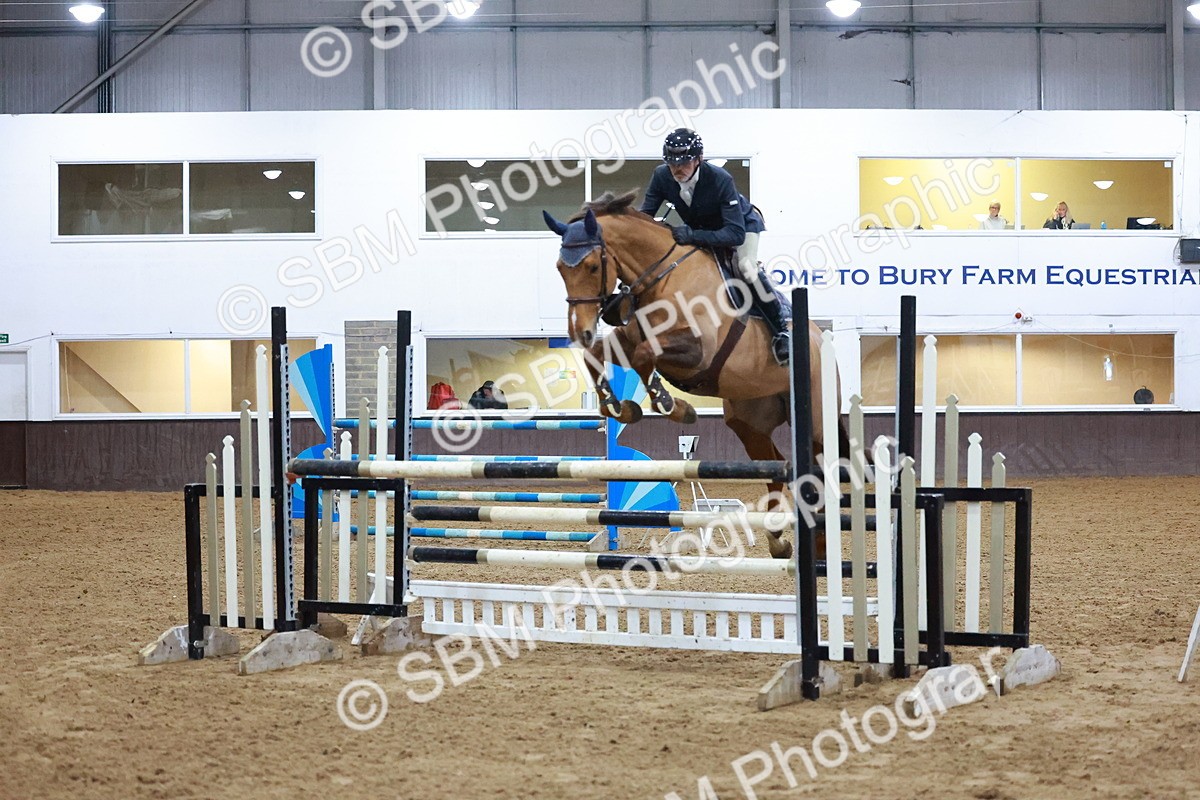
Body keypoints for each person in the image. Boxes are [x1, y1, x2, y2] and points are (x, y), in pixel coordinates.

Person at [638, 128, 788, 366]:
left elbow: (735, 234)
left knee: (746, 267)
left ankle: (781, 331)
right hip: (703, 230)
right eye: (672, 163)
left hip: (741, 226)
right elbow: (645, 218)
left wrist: (693, 235)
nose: (677, 169)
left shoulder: (720, 178)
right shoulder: (661, 176)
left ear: (699, 159)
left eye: (684, 162)